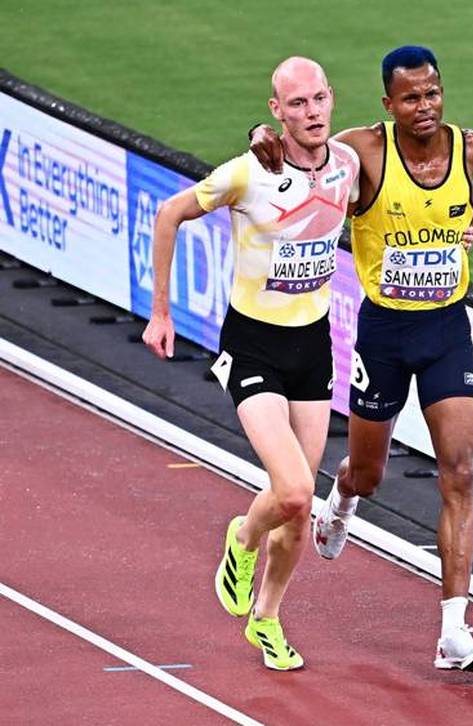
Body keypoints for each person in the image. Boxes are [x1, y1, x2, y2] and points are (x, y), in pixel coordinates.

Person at [250, 45, 473, 673]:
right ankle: (341, 503)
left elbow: (467, 197)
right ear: (387, 104)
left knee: (460, 472)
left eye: (433, 93)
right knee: (368, 474)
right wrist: (262, 133)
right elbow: (303, 156)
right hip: (385, 335)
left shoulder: (469, 147)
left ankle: (453, 631)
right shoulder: (362, 152)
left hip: (447, 329)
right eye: (411, 98)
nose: (425, 107)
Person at [144, 57, 359, 671]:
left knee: (297, 512)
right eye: (297, 104)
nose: (311, 112)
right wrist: (161, 312)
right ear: (276, 110)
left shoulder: (347, 163)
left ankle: (266, 617)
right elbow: (169, 214)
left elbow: (400, 176)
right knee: (294, 490)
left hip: (313, 345)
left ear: (331, 98)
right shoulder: (248, 173)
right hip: (254, 345)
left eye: (318, 99)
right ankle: (241, 538)